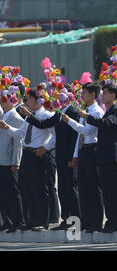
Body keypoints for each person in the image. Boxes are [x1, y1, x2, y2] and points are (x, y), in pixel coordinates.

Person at [19, 84, 81, 231]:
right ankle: (66, 220)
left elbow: (75, 136)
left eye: (58, 95)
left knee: (71, 190)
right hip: (60, 156)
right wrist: (28, 115)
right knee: (63, 189)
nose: (54, 98)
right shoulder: (59, 113)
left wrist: (74, 156)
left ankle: (76, 223)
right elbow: (42, 124)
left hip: (69, 157)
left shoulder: (72, 112)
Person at [0, 89, 56, 231]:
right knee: (29, 189)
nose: (28, 102)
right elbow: (21, 134)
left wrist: (46, 147)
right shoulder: (29, 116)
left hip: (38, 153)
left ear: (38, 100)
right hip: (27, 154)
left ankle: (43, 221)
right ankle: (32, 220)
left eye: (30, 99)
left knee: (40, 189)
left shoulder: (47, 115)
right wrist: (8, 128)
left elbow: (54, 135)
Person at [62, 82, 104, 233]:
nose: (82, 96)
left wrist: (70, 121)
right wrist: (75, 155)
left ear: (93, 95)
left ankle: (96, 222)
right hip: (83, 150)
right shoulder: (85, 111)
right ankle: (85, 221)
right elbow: (80, 136)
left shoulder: (97, 112)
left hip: (92, 150)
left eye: (85, 93)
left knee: (93, 188)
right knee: (83, 188)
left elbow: (86, 131)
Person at [0, 97, 25, 233]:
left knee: (12, 193)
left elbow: (18, 141)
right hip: (1, 159)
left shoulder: (15, 117)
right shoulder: (3, 115)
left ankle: (17, 221)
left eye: (4, 100)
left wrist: (16, 161)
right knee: (3, 193)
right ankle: (7, 221)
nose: (2, 102)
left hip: (9, 161)